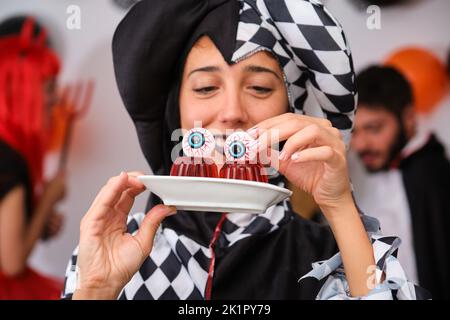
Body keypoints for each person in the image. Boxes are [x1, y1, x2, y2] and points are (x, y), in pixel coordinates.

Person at [63, 0, 428, 300]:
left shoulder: (333, 254)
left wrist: (340, 207)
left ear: (292, 112)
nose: (233, 112)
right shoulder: (112, 245)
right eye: (206, 88)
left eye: (259, 88)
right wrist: (95, 289)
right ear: (177, 115)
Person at [350, 65, 450, 299]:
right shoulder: (361, 166)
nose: (361, 145)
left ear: (408, 118)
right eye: (354, 132)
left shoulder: (434, 178)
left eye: (374, 128)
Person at [0, 16, 66, 300]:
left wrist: (36, 222)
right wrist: (48, 199)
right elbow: (12, 263)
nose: (55, 99)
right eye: (49, 86)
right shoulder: (8, 160)